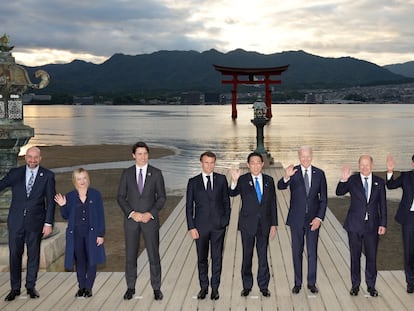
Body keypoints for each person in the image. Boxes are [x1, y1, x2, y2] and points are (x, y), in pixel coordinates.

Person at [0, 146, 56, 301]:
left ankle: (30, 286)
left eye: (35, 157)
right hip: (16, 222)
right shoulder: (15, 174)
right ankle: (15, 289)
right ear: (25, 157)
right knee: (15, 256)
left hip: (35, 223)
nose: (32, 160)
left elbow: (50, 202)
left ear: (40, 158)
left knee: (33, 256)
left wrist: (48, 223)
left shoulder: (48, 176)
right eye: (30, 157)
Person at [117, 141, 166, 301]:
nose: (143, 157)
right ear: (133, 155)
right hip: (131, 222)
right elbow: (120, 197)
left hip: (150, 222)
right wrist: (132, 213)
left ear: (148, 155)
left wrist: (149, 213)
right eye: (139, 154)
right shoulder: (127, 173)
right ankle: (130, 287)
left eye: (145, 154)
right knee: (130, 256)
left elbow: (162, 198)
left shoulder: (156, 173)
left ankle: (156, 288)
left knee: (154, 256)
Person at [277, 146, 327, 294]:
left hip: (313, 220)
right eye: (303, 156)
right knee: (296, 251)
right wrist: (286, 176)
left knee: (312, 252)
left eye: (308, 156)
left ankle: (311, 283)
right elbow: (280, 186)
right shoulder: (293, 172)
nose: (306, 159)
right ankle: (297, 283)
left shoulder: (320, 174)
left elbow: (323, 199)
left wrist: (319, 218)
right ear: (299, 156)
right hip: (296, 219)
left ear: (312, 156)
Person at [335, 155, 387, 297]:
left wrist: (383, 223)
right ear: (358, 166)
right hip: (354, 225)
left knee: (371, 257)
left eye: (367, 164)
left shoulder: (379, 182)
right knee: (355, 256)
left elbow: (383, 205)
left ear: (372, 165)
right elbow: (339, 192)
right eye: (362, 165)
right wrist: (343, 179)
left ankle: (371, 286)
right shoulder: (352, 180)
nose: (364, 167)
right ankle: (355, 285)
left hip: (372, 226)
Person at [229, 152, 277, 297]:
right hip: (247, 224)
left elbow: (273, 204)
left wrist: (274, 224)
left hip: (264, 224)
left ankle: (263, 286)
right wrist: (234, 181)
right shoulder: (243, 180)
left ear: (262, 164)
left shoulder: (269, 180)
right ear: (248, 165)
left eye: (258, 163)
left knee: (263, 256)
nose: (255, 166)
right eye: (252, 163)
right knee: (247, 255)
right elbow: (232, 193)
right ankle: (247, 286)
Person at [186, 151, 231, 300]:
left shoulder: (221, 179)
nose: (209, 165)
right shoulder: (193, 182)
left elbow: (226, 202)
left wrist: (225, 221)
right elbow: (188, 207)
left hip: (218, 227)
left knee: (217, 258)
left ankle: (215, 288)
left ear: (215, 163)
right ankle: (204, 287)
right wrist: (191, 227)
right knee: (202, 259)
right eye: (206, 162)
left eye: (212, 162)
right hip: (200, 228)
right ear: (201, 163)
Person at [54, 168, 106, 298]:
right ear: (74, 180)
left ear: (87, 179)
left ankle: (89, 288)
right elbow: (66, 216)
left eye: (84, 178)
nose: (82, 181)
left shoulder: (95, 194)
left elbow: (100, 215)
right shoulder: (70, 196)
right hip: (76, 234)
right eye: (79, 178)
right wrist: (63, 205)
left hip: (92, 233)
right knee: (80, 261)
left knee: (91, 260)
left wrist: (101, 234)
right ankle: (81, 287)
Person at [385, 155, 414, 293]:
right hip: (408, 218)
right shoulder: (406, 176)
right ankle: (410, 282)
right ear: (413, 164)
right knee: (409, 251)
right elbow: (390, 186)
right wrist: (390, 171)